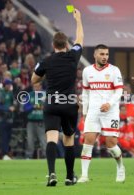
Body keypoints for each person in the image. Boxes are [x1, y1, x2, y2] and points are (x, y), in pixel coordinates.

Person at [31, 9, 83, 186]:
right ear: (66, 45)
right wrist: (78, 20)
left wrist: (45, 75)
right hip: (69, 104)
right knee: (69, 139)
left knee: (52, 138)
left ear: (53, 45)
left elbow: (34, 80)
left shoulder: (46, 61)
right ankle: (69, 177)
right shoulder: (72, 56)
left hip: (52, 103)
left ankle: (52, 174)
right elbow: (80, 39)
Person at [78, 44, 125, 183]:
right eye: (102, 54)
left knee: (111, 145)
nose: (105, 57)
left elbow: (119, 91)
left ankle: (120, 166)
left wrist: (109, 104)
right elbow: (85, 92)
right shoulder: (87, 71)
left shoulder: (114, 70)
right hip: (93, 111)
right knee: (88, 142)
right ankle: (84, 175)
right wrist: (85, 112)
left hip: (110, 112)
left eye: (106, 54)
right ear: (95, 55)